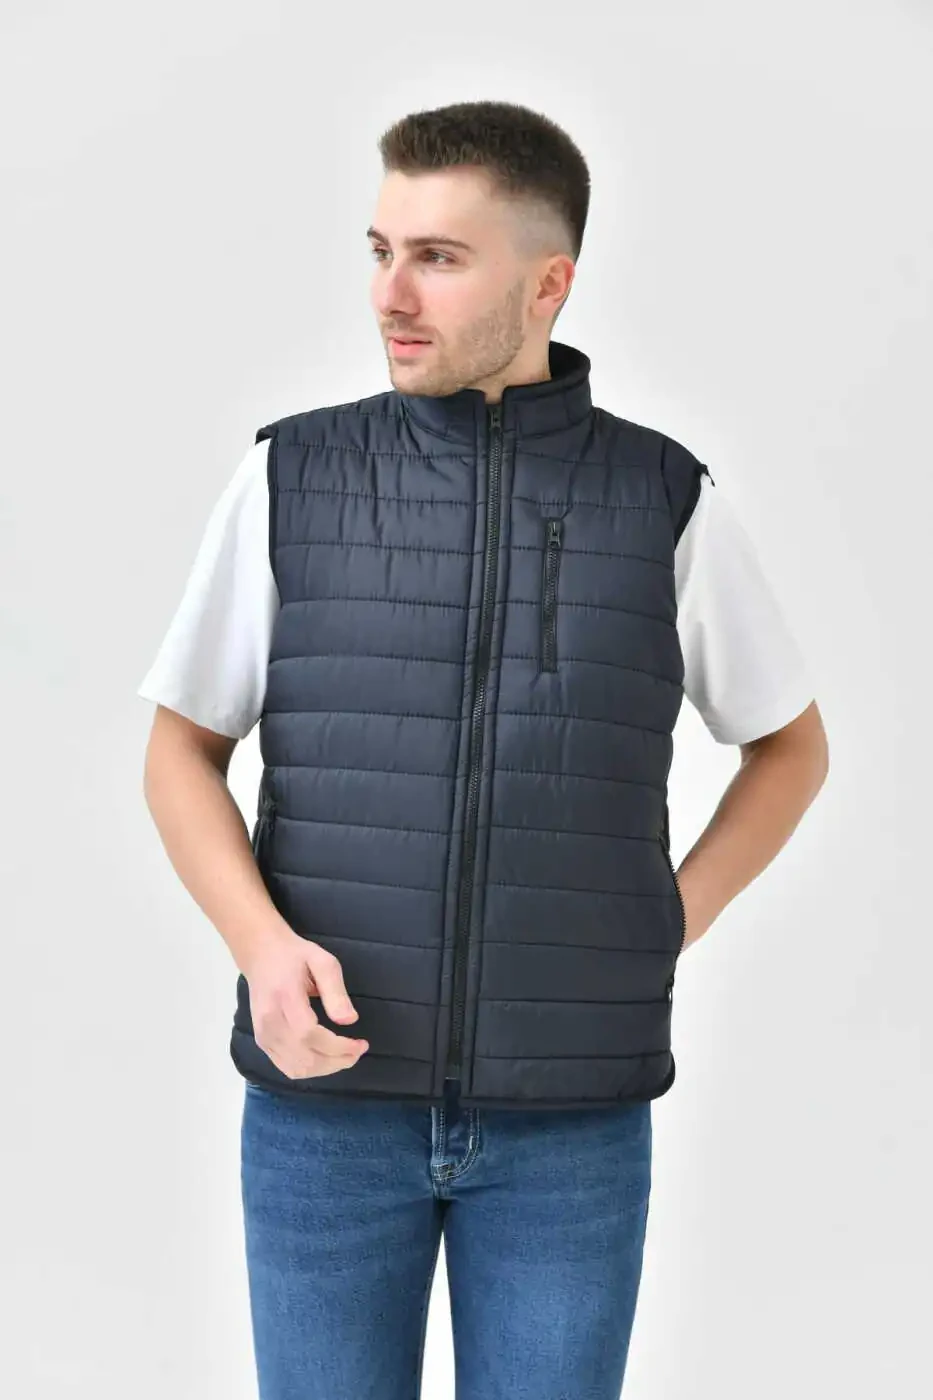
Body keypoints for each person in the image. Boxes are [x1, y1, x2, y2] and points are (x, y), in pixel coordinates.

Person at [139, 100, 829, 1399]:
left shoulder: (662, 499)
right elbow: (180, 751)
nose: (389, 295)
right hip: (327, 1114)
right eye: (380, 249)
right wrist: (262, 948)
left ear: (547, 283)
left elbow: (790, 747)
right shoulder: (294, 477)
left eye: (438, 258)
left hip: (570, 1132)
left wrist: (661, 924)